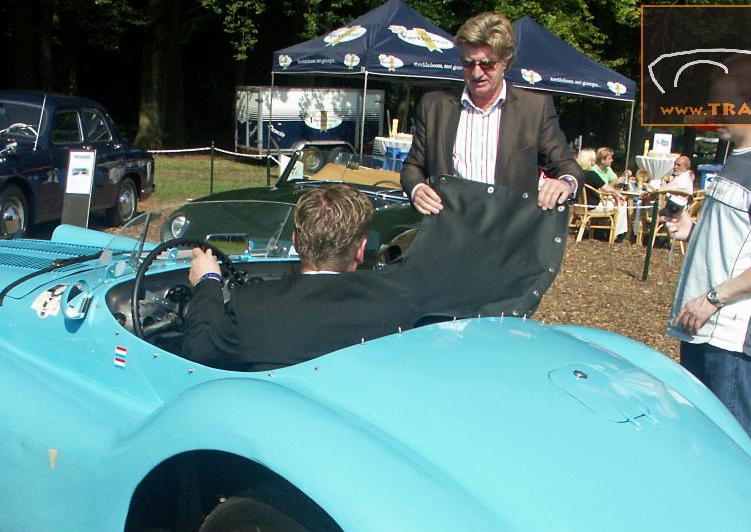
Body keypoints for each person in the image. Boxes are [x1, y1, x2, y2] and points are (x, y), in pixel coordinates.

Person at [663, 54, 751, 439]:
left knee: (729, 446)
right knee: (699, 439)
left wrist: (713, 298)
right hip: (701, 323)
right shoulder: (737, 158)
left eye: (723, 103)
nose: (715, 113)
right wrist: (691, 230)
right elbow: (738, 242)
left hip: (728, 336)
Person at [183, 185, 419, 371]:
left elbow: (199, 351)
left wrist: (208, 281)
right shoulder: (393, 307)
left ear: (296, 241)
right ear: (360, 249)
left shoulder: (252, 306)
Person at [400, 11, 582, 215]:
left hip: (508, 233)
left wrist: (565, 183)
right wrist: (417, 188)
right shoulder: (434, 106)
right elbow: (411, 166)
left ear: (505, 62)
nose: (477, 73)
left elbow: (567, 167)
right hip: (450, 231)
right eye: (468, 63)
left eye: (487, 64)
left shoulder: (534, 109)